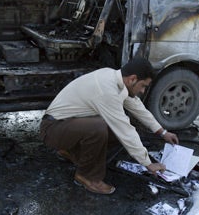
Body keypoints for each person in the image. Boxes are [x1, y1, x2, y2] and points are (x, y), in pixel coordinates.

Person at [39, 57, 179, 195]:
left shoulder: (114, 78)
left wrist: (162, 132)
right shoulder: (107, 90)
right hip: (52, 129)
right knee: (99, 127)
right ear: (132, 79)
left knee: (107, 127)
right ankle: (87, 176)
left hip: (67, 125)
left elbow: (138, 108)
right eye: (143, 86)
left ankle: (71, 152)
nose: (143, 91)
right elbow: (125, 130)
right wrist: (148, 163)